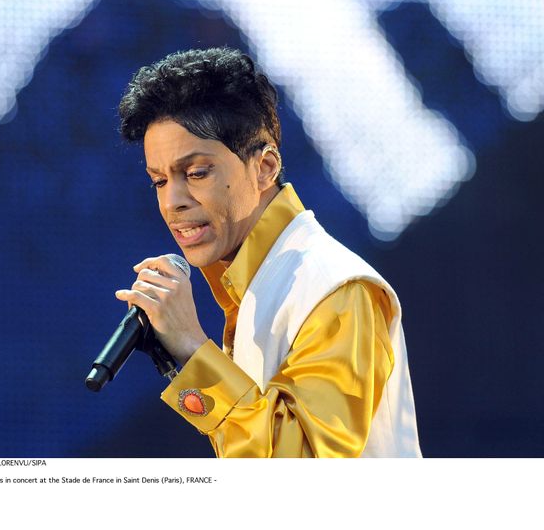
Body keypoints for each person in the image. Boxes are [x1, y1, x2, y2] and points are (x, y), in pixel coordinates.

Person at [115, 47, 421, 457]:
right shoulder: (256, 286)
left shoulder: (334, 289)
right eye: (158, 181)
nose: (172, 202)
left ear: (264, 167)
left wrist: (191, 346)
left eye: (196, 173)